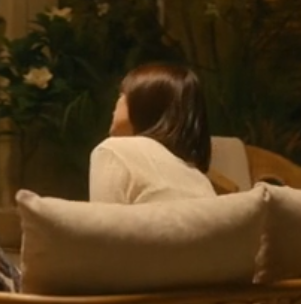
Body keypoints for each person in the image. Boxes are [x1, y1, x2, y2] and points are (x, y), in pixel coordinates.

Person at [88, 62, 216, 204]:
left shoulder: (114, 150)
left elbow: (105, 217)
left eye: (122, 95)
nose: (116, 104)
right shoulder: (200, 179)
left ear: (143, 104)